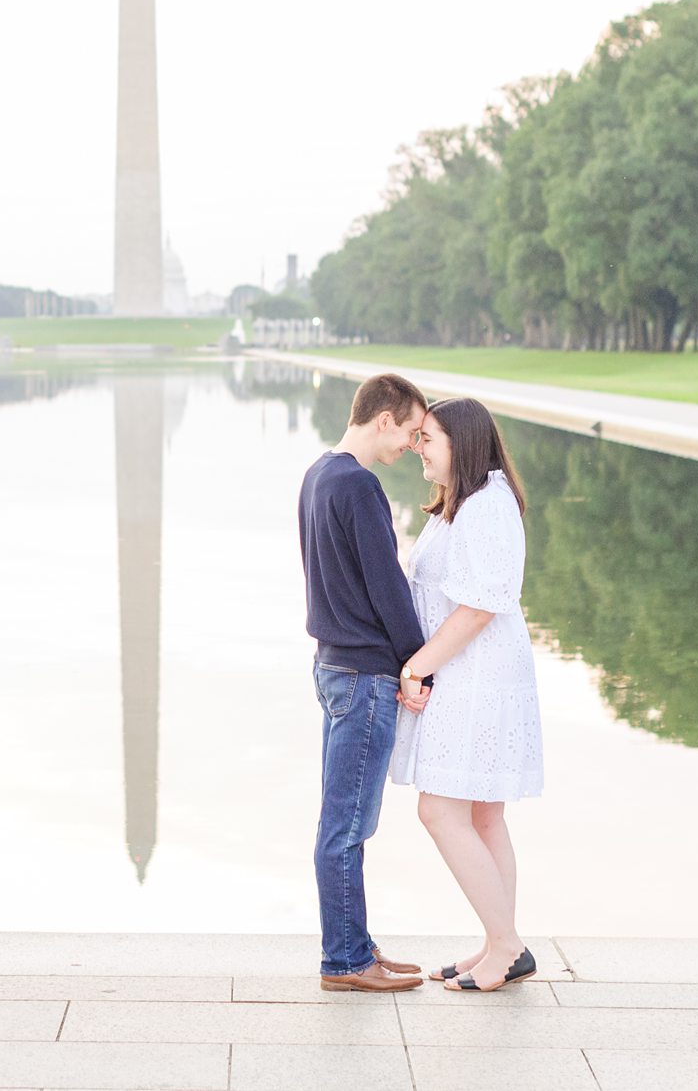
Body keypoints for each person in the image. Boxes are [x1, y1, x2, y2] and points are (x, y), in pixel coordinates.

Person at [391, 397, 545, 992]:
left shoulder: (486, 507)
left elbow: (481, 605)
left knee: (441, 809)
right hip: (468, 671)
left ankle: (506, 944)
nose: (416, 446)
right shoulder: (463, 503)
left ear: (462, 442)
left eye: (426, 437)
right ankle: (500, 944)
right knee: (482, 814)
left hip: (477, 676)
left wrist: (418, 666)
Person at [298, 371, 433, 992]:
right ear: (384, 418)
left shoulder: (317, 476)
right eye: (408, 430)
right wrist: (417, 665)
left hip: (331, 665)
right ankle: (347, 962)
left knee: (341, 820)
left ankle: (355, 944)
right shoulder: (359, 485)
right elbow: (388, 587)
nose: (410, 443)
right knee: (348, 826)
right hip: (366, 675)